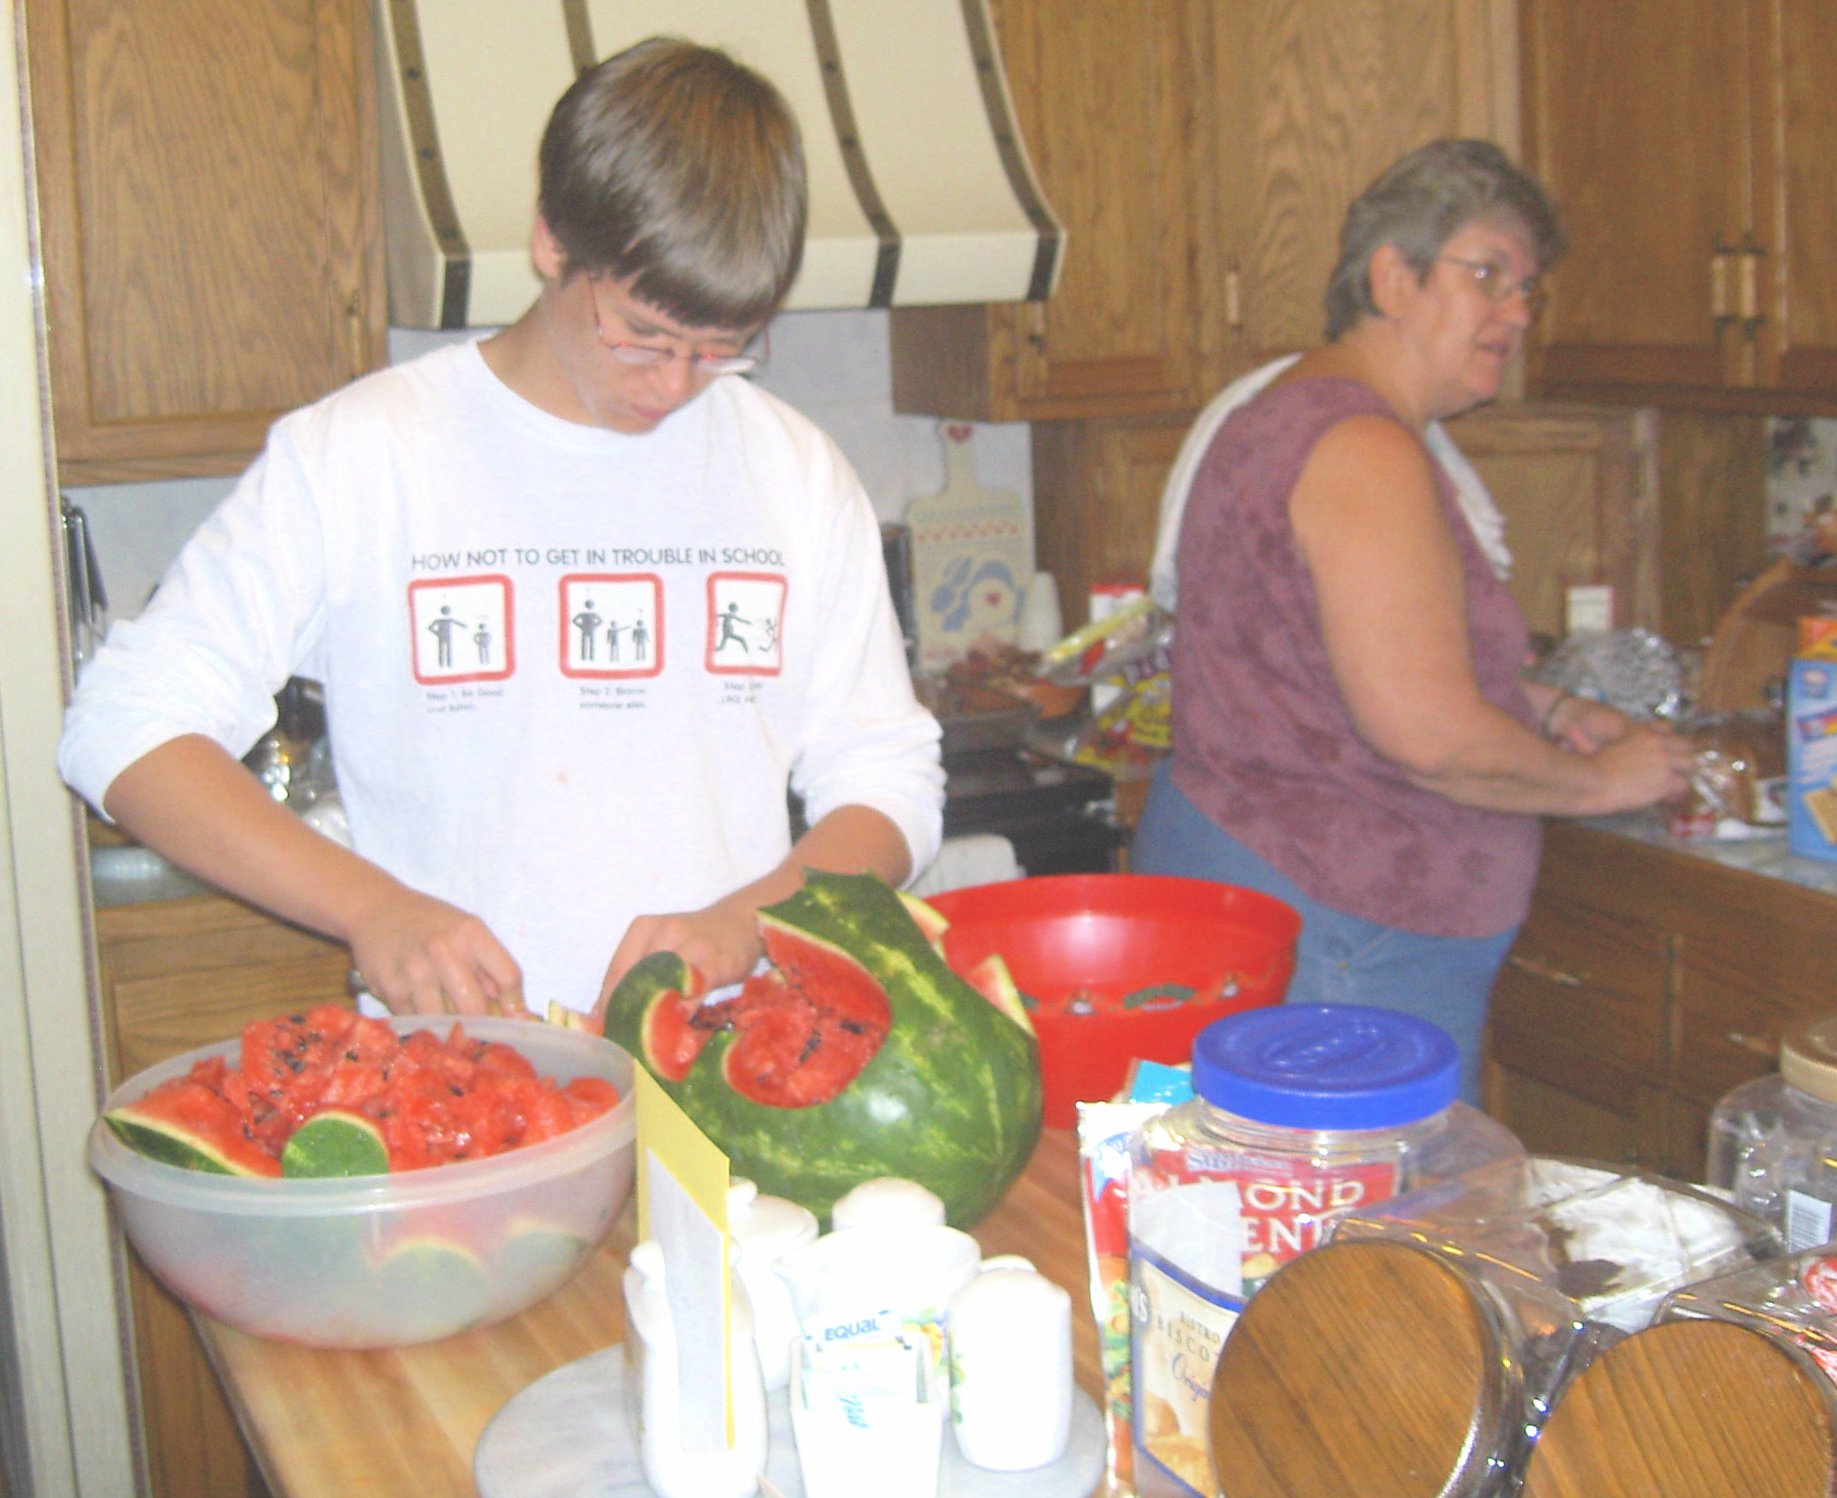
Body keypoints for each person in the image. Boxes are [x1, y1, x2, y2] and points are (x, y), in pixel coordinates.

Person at [57, 38, 944, 1021]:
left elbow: (887, 777)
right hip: (454, 1073)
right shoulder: (365, 453)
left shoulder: (796, 473)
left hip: (721, 1059)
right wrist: (371, 907)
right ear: (551, 244)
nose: (673, 386)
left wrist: (739, 924)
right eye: (640, 336)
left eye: (720, 352)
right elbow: (124, 726)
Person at [1131, 139, 1692, 1103]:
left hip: (1281, 900)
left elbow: (1332, 662)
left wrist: (1542, 710)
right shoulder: (1363, 449)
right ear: (1391, 276)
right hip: (1343, 940)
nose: (1515, 311)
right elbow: (1426, 735)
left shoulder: (1285, 411)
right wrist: (1599, 783)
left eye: (1527, 287)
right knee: (1363, 1240)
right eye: (1487, 274)